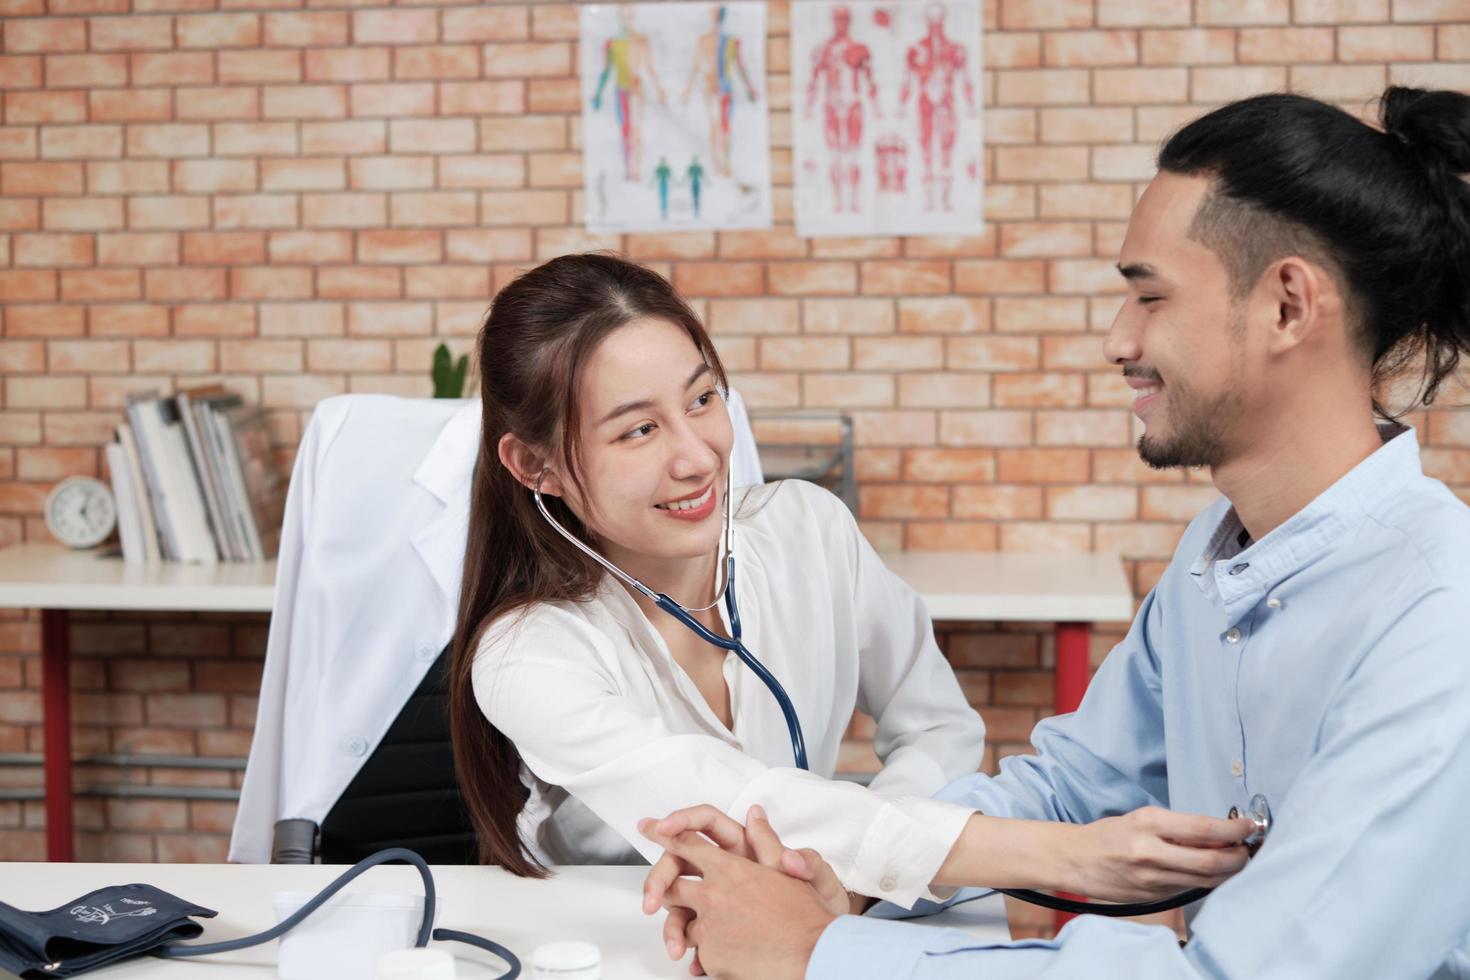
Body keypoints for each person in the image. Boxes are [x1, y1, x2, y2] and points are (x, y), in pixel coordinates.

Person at [638, 86, 1470, 979]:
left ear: (1288, 307)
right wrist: (843, 872)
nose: (1118, 339)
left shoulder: (1436, 617)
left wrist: (819, 952)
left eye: (1149, 297)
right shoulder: (1214, 558)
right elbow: (1068, 793)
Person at [447, 253, 1251, 912]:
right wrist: (1059, 852)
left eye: (702, 399)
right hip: (617, 934)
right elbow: (728, 795)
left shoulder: (807, 530)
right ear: (536, 465)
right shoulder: (526, 654)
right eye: (639, 430)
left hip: (804, 930)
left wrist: (856, 884)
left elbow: (936, 726)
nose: (696, 455)